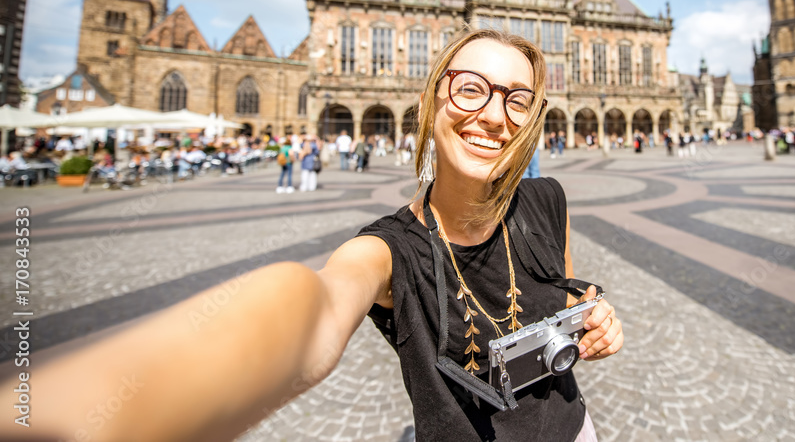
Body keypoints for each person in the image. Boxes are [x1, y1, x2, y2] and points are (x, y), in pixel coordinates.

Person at [2, 28, 622, 442]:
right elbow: (310, 310)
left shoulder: (548, 199)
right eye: (472, 88)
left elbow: (565, 294)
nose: (493, 113)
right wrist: (73, 408)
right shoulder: (386, 252)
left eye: (518, 98)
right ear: (432, 102)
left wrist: (594, 317)